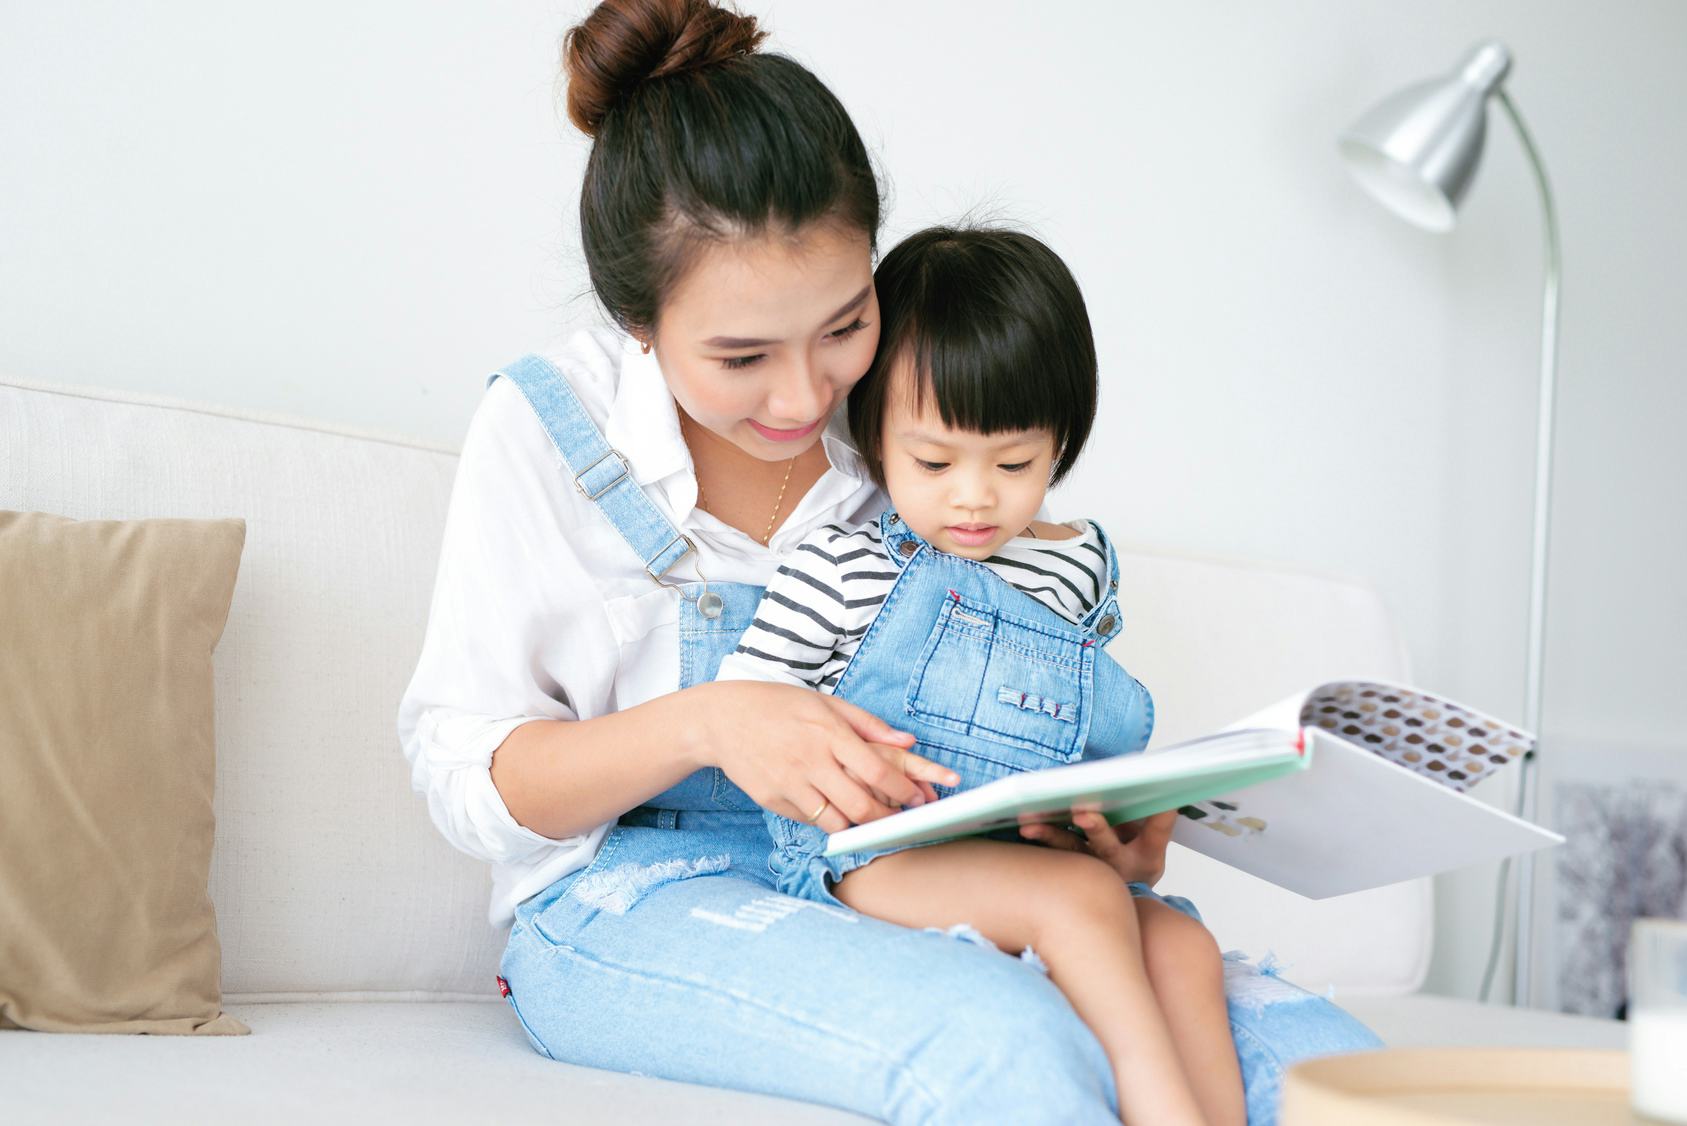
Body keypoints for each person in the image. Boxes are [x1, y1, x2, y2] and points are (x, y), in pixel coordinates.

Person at [395, 1, 1383, 1123]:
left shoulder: (915, 422)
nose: (807, 395)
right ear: (636, 320)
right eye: (739, 355)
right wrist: (712, 722)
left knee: (1324, 1069)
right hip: (636, 892)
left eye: (843, 323)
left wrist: (1098, 820)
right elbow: (461, 772)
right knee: (1008, 1043)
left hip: (914, 866)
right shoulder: (550, 429)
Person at [714, 224, 1243, 1125]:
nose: (974, 496)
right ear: (873, 434)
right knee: (1078, 901)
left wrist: (1116, 804)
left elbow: (1076, 723)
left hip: (1021, 854)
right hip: (873, 857)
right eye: (933, 462)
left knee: (1184, 944)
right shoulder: (842, 568)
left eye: (1014, 463)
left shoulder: (1072, 570)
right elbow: (739, 714)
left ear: (1060, 444)